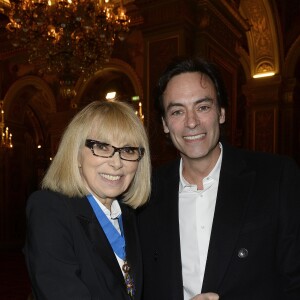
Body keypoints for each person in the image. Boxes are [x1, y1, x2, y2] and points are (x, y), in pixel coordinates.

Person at [137, 56, 300, 300]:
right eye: (178, 111)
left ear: (221, 113)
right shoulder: (145, 194)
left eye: (203, 107)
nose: (191, 122)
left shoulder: (275, 178)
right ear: (164, 124)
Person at [24, 100, 151, 300]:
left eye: (128, 150)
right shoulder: (50, 209)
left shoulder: (128, 215)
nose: (117, 163)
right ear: (76, 155)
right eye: (101, 146)